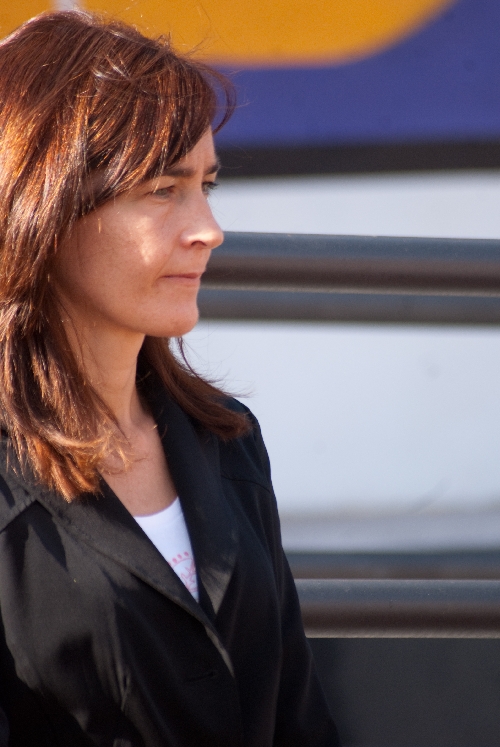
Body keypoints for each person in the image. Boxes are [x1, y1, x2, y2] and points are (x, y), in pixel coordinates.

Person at [0, 10, 339, 747]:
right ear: (41, 207)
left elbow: (298, 717)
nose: (209, 228)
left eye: (207, 184)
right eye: (163, 188)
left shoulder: (226, 437)